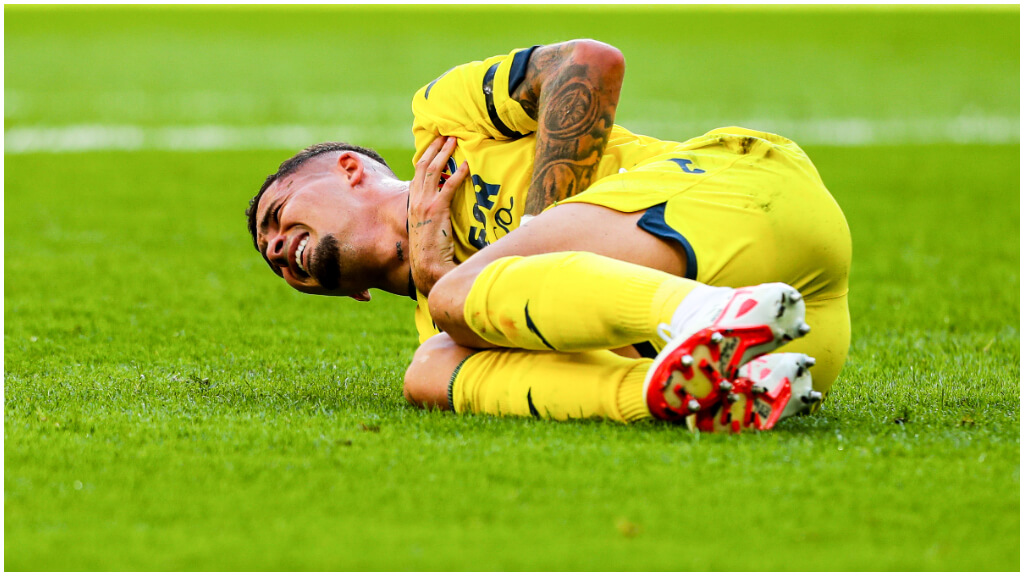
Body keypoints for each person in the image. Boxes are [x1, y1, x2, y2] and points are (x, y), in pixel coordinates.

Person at [246, 40, 851, 432]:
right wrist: (443, 283)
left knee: (459, 303)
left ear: (350, 169)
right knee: (426, 373)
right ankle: (672, 394)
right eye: (272, 258)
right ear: (351, 295)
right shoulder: (442, 329)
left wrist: (532, 237)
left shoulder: (443, 125)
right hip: (798, 345)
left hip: (738, 197)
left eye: (277, 215)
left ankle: (713, 314)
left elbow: (589, 63)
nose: (276, 248)